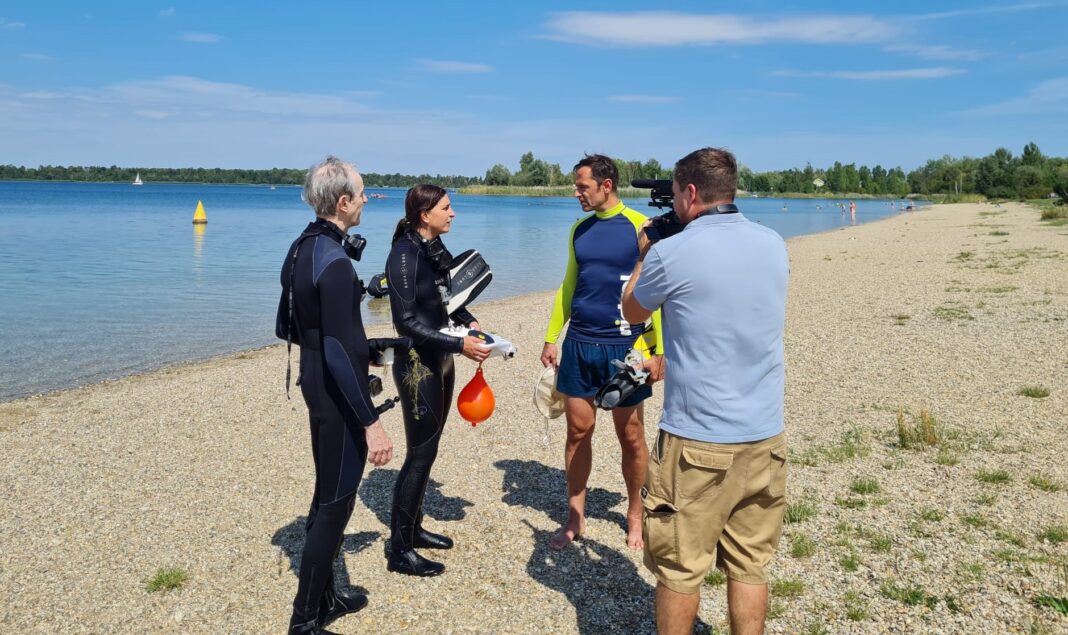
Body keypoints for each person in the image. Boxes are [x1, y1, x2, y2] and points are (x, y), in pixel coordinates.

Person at [621, 147, 789, 635]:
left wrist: (646, 252)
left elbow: (633, 311)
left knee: (680, 568)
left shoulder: (672, 253)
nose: (671, 204)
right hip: (764, 436)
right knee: (749, 564)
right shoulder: (774, 243)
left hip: (697, 443)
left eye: (674, 195)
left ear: (690, 192)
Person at [276, 156, 395, 635]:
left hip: (314, 381)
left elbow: (293, 325)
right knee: (337, 502)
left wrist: (363, 346)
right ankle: (305, 620)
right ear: (343, 202)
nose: (366, 199)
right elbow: (336, 348)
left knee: (327, 491)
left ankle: (327, 593)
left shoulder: (303, 247)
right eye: (362, 193)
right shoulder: (337, 262)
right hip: (335, 389)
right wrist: (372, 423)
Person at [540, 154, 663, 551]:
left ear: (606, 185)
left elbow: (654, 294)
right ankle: (575, 517)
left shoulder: (639, 227)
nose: (577, 193)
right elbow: (568, 286)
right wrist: (551, 336)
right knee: (578, 431)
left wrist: (658, 351)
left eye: (582, 186)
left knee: (631, 435)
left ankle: (634, 514)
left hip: (626, 347)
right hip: (580, 343)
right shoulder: (580, 229)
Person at [385, 184, 490, 576]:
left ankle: (413, 530)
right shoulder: (403, 255)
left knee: (430, 449)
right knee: (419, 453)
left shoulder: (432, 249)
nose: (453, 213)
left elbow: (446, 300)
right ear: (425, 214)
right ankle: (399, 550)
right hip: (417, 366)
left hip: (442, 360)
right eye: (447, 208)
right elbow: (406, 323)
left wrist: (469, 322)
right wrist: (458, 345)